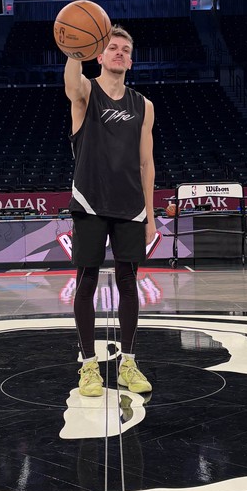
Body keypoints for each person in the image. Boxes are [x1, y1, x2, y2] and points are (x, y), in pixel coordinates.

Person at [64, 24, 155, 397]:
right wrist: (74, 46)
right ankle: (88, 366)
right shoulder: (87, 93)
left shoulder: (144, 105)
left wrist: (150, 215)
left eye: (124, 49)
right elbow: (72, 84)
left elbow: (146, 163)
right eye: (112, 48)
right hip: (90, 200)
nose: (118, 53)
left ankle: (128, 363)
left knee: (129, 284)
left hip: (130, 204)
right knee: (86, 282)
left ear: (130, 60)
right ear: (99, 56)